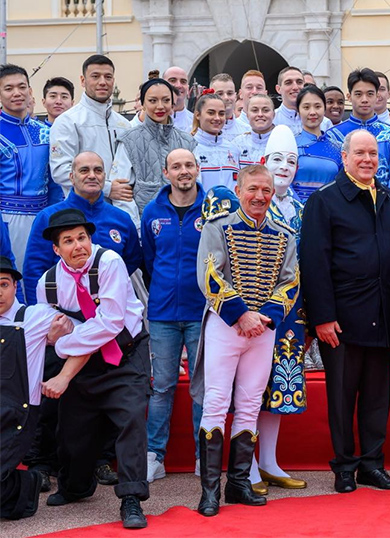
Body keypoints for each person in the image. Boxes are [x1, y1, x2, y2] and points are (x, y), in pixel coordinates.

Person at [190, 164, 297, 516]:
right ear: (239, 190)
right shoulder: (218, 227)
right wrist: (241, 314)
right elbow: (209, 275)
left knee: (250, 405)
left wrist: (266, 315)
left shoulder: (284, 234)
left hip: (264, 328)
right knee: (216, 403)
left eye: (266, 190)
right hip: (226, 325)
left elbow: (290, 281)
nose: (259, 197)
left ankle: (238, 484)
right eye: (253, 189)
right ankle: (209, 492)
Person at [300, 130, 390, 494]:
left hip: (383, 313)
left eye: (372, 153)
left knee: (378, 397)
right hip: (340, 319)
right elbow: (314, 262)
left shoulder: (389, 199)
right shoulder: (324, 201)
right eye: (359, 153)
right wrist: (322, 317)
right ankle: (344, 466)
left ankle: (372, 464)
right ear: (344, 157)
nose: (367, 159)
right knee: (342, 396)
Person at [36, 208, 152, 528]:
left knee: (131, 420)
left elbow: (110, 323)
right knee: (73, 432)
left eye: (82, 237)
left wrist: (63, 345)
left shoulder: (110, 262)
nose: (78, 246)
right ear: (56, 249)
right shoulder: (47, 284)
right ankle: (76, 487)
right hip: (85, 366)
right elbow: (46, 331)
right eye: (68, 241)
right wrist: (52, 338)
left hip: (125, 356)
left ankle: (131, 497)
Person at [246, 125, 308, 496]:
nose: (285, 167)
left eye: (292, 161)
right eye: (277, 160)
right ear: (263, 162)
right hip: (253, 308)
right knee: (251, 385)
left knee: (278, 388)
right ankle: (247, 463)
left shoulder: (303, 208)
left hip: (291, 312)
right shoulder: (247, 207)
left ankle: (268, 460)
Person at [140, 149, 206, 483]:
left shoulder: (212, 210)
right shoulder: (152, 211)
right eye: (176, 166)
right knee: (162, 386)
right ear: (166, 172)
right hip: (163, 312)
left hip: (201, 312)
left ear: (197, 169)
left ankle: (202, 455)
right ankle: (154, 456)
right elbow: (150, 262)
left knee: (201, 388)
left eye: (189, 165)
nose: (183, 171)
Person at [0, 257, 72, 520]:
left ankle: (23, 486)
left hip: (19, 413)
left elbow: (82, 331)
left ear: (16, 287)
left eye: (3, 284)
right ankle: (22, 488)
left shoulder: (35, 315)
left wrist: (59, 334)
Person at [24, 151, 142, 307]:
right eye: (84, 170)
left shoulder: (121, 219)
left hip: (113, 309)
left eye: (98, 170)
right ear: (72, 177)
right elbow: (34, 269)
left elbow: (132, 259)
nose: (92, 175)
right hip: (64, 310)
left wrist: (110, 282)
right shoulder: (48, 217)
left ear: (104, 176)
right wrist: (40, 314)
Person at [109, 77, 198, 220]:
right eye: (153, 101)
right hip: (144, 227)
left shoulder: (187, 141)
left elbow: (197, 184)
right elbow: (122, 195)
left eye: (166, 100)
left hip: (184, 223)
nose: (160, 106)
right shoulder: (129, 140)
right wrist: (137, 229)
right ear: (142, 103)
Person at [50, 55, 131, 200]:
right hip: (83, 209)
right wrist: (107, 189)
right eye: (95, 76)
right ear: (83, 80)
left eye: (108, 77)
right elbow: (61, 171)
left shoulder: (124, 125)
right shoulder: (68, 121)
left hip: (121, 210)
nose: (102, 82)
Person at [0, 64, 54, 271]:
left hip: (45, 216)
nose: (17, 93)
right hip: (7, 218)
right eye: (8, 88)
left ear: (30, 90)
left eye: (22, 87)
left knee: (44, 278)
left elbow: (55, 181)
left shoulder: (47, 131)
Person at [325, 68, 390, 201]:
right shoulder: (333, 136)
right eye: (358, 94)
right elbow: (331, 175)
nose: (364, 99)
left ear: (377, 96)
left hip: (382, 207)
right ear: (349, 97)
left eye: (370, 94)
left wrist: (386, 207)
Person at [294, 86, 343, 201]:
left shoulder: (338, 147)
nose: (312, 112)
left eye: (317, 106)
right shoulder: (291, 145)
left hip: (329, 213)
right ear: (298, 111)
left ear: (324, 109)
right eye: (306, 107)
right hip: (297, 212)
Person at [190, 92, 241, 192]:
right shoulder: (190, 147)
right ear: (198, 115)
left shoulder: (233, 149)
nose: (217, 118)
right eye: (211, 113)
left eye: (221, 113)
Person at [275, 66, 333, 135]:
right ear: (278, 89)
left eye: (299, 82)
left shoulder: (324, 123)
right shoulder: (271, 120)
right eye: (288, 83)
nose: (295, 87)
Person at [233, 93, 278, 167]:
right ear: (247, 115)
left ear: (273, 114)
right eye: (255, 110)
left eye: (265, 110)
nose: (260, 114)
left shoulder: (282, 141)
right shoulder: (237, 144)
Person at [209, 73, 245, 140]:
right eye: (220, 94)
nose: (226, 98)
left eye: (229, 93)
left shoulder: (246, 130)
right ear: (210, 96)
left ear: (235, 96)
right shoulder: (200, 131)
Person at [162, 66, 194, 133]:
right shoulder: (152, 119)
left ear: (188, 89)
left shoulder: (196, 122)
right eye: (173, 80)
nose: (179, 85)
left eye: (183, 81)